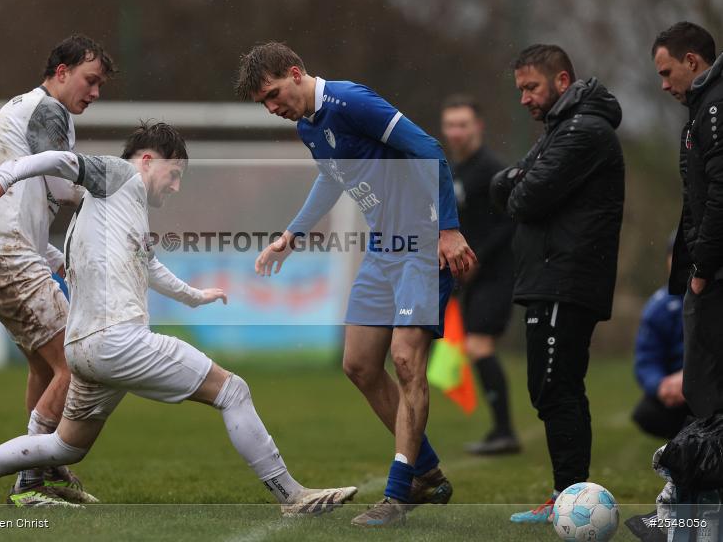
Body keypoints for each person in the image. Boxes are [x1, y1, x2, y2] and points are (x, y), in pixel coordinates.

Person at [0, 123, 358, 515]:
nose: (176, 186)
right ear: (147, 160)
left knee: (66, 448)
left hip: (84, 349)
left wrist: (194, 296)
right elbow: (58, 158)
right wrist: (2, 178)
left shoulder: (110, 205)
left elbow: (149, 264)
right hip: (117, 341)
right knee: (233, 391)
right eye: (174, 174)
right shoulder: (119, 175)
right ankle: (291, 496)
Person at [236, 42, 477, 527]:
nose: (272, 108)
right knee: (360, 365)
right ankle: (427, 471)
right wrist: (291, 234)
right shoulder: (308, 126)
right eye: (265, 103)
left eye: (274, 94)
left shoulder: (351, 102)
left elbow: (428, 148)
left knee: (406, 361)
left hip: (422, 244)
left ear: (296, 72)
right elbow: (332, 179)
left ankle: (399, 493)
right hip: (384, 247)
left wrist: (448, 229)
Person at [0, 34, 115, 504]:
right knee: (77, 363)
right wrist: (119, 192)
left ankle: (44, 469)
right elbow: (66, 176)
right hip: (5, 254)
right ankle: (32, 478)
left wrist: (55, 253)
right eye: (90, 81)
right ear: (61, 72)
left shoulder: (24, 109)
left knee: (47, 369)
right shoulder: (51, 111)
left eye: (101, 86)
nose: (94, 93)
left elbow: (46, 189)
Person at [490, 44, 624, 524]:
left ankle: (569, 497)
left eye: (531, 87)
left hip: (565, 279)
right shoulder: (561, 129)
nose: (524, 98)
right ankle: (564, 495)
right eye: (520, 89)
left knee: (556, 388)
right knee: (553, 388)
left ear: (562, 82)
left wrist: (519, 183)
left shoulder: (584, 131)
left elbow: (523, 197)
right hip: (552, 278)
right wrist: (518, 182)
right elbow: (503, 186)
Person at [651, 21, 723, 420]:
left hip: (714, 274)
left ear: (692, 61)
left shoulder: (714, 107)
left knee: (705, 386)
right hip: (711, 271)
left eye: (666, 72)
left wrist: (702, 268)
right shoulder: (704, 107)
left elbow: (718, 195)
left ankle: (708, 483)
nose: (664, 84)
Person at [440, 94, 519, 455]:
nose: (456, 132)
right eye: (450, 125)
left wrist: (477, 259)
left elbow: (509, 224)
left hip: (496, 274)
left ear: (478, 127)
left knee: (479, 345)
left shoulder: (492, 170)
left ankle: (505, 432)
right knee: (473, 347)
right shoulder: (453, 171)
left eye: (463, 124)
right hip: (468, 276)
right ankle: (501, 431)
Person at [632, 238, 687, 440]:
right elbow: (646, 360)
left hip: (707, 384)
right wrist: (661, 385)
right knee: (647, 414)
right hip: (676, 390)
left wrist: (689, 378)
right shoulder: (658, 307)